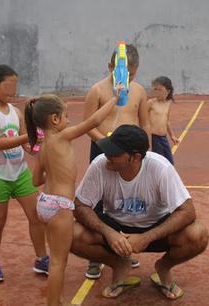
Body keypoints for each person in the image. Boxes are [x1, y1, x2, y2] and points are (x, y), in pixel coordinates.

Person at [71, 124, 209, 300]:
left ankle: (163, 268)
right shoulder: (100, 165)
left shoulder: (160, 168)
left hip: (155, 227)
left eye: (114, 153)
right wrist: (110, 233)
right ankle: (119, 264)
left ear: (135, 157)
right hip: (115, 227)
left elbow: (188, 211)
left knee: (198, 234)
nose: (107, 155)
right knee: (70, 234)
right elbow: (80, 205)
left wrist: (147, 237)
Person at [24, 86, 121, 306]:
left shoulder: (43, 146)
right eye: (66, 115)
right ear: (55, 119)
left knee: (56, 258)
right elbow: (93, 122)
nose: (69, 120)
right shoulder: (62, 136)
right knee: (58, 262)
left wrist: (54, 169)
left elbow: (35, 180)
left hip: (46, 203)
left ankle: (56, 301)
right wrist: (115, 97)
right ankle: (53, 304)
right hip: (60, 205)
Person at [82, 43, 151, 278]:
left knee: (124, 200)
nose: (127, 77)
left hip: (130, 156)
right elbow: (88, 125)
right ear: (111, 67)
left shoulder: (140, 91)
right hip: (103, 150)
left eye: (132, 73)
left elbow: (145, 123)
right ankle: (95, 256)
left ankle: (123, 249)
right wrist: (107, 146)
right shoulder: (98, 91)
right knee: (97, 203)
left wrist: (146, 150)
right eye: (122, 72)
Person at [0, 64, 48, 283]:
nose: (13, 92)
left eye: (15, 86)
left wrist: (41, 146)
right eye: (9, 87)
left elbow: (27, 146)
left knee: (36, 216)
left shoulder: (16, 112)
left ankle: (41, 258)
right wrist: (29, 138)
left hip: (20, 173)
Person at [148, 76, 179, 164]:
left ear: (168, 91)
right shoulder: (151, 103)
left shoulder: (168, 103)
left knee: (169, 162)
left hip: (163, 138)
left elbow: (167, 121)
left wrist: (172, 136)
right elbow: (143, 119)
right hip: (153, 138)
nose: (157, 93)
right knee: (159, 163)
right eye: (155, 90)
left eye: (160, 90)